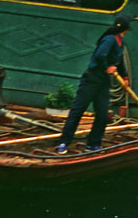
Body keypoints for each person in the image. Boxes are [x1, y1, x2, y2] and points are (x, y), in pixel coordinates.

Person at [55, 16, 131, 154]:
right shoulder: (109, 39)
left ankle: (93, 143)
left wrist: (125, 77)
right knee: (78, 111)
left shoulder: (121, 42)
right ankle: (63, 142)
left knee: (102, 113)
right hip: (92, 79)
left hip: (103, 83)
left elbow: (119, 61)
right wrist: (106, 67)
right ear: (125, 29)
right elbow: (100, 55)